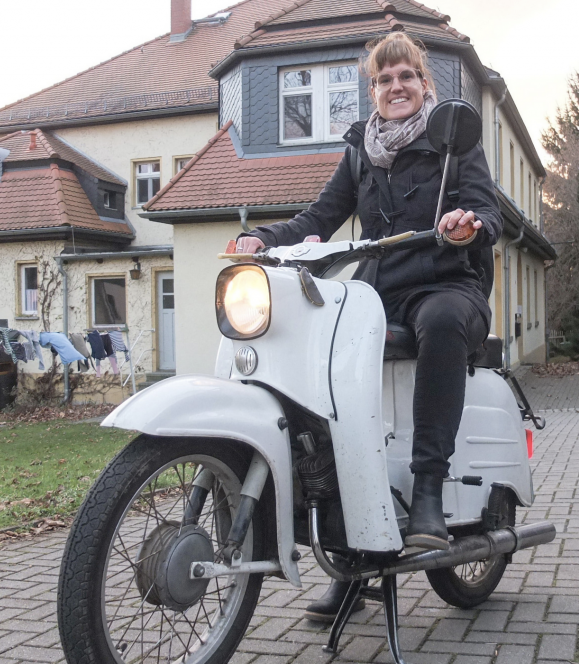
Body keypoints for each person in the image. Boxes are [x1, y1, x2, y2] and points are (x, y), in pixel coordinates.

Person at [235, 32, 502, 621]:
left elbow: (490, 211)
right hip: (379, 295)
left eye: (406, 76)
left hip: (449, 286)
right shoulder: (360, 151)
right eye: (384, 79)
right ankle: (349, 556)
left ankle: (429, 492)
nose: (396, 86)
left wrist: (468, 223)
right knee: (323, 357)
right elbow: (321, 216)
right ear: (372, 90)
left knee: (441, 321)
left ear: (424, 83)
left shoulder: (452, 143)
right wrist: (264, 240)